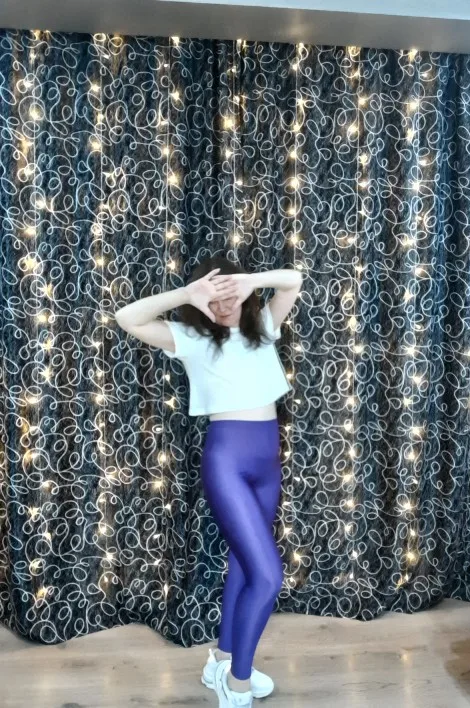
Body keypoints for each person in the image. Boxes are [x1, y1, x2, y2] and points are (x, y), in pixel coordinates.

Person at [115, 256, 302, 708]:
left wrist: (249, 281)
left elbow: (293, 281)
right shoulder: (192, 339)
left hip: (267, 464)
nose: (223, 304)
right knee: (267, 577)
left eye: (229, 295)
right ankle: (236, 683)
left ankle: (221, 659)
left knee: (244, 565)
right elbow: (127, 318)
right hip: (228, 461)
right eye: (213, 298)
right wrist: (187, 293)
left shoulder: (265, 329)